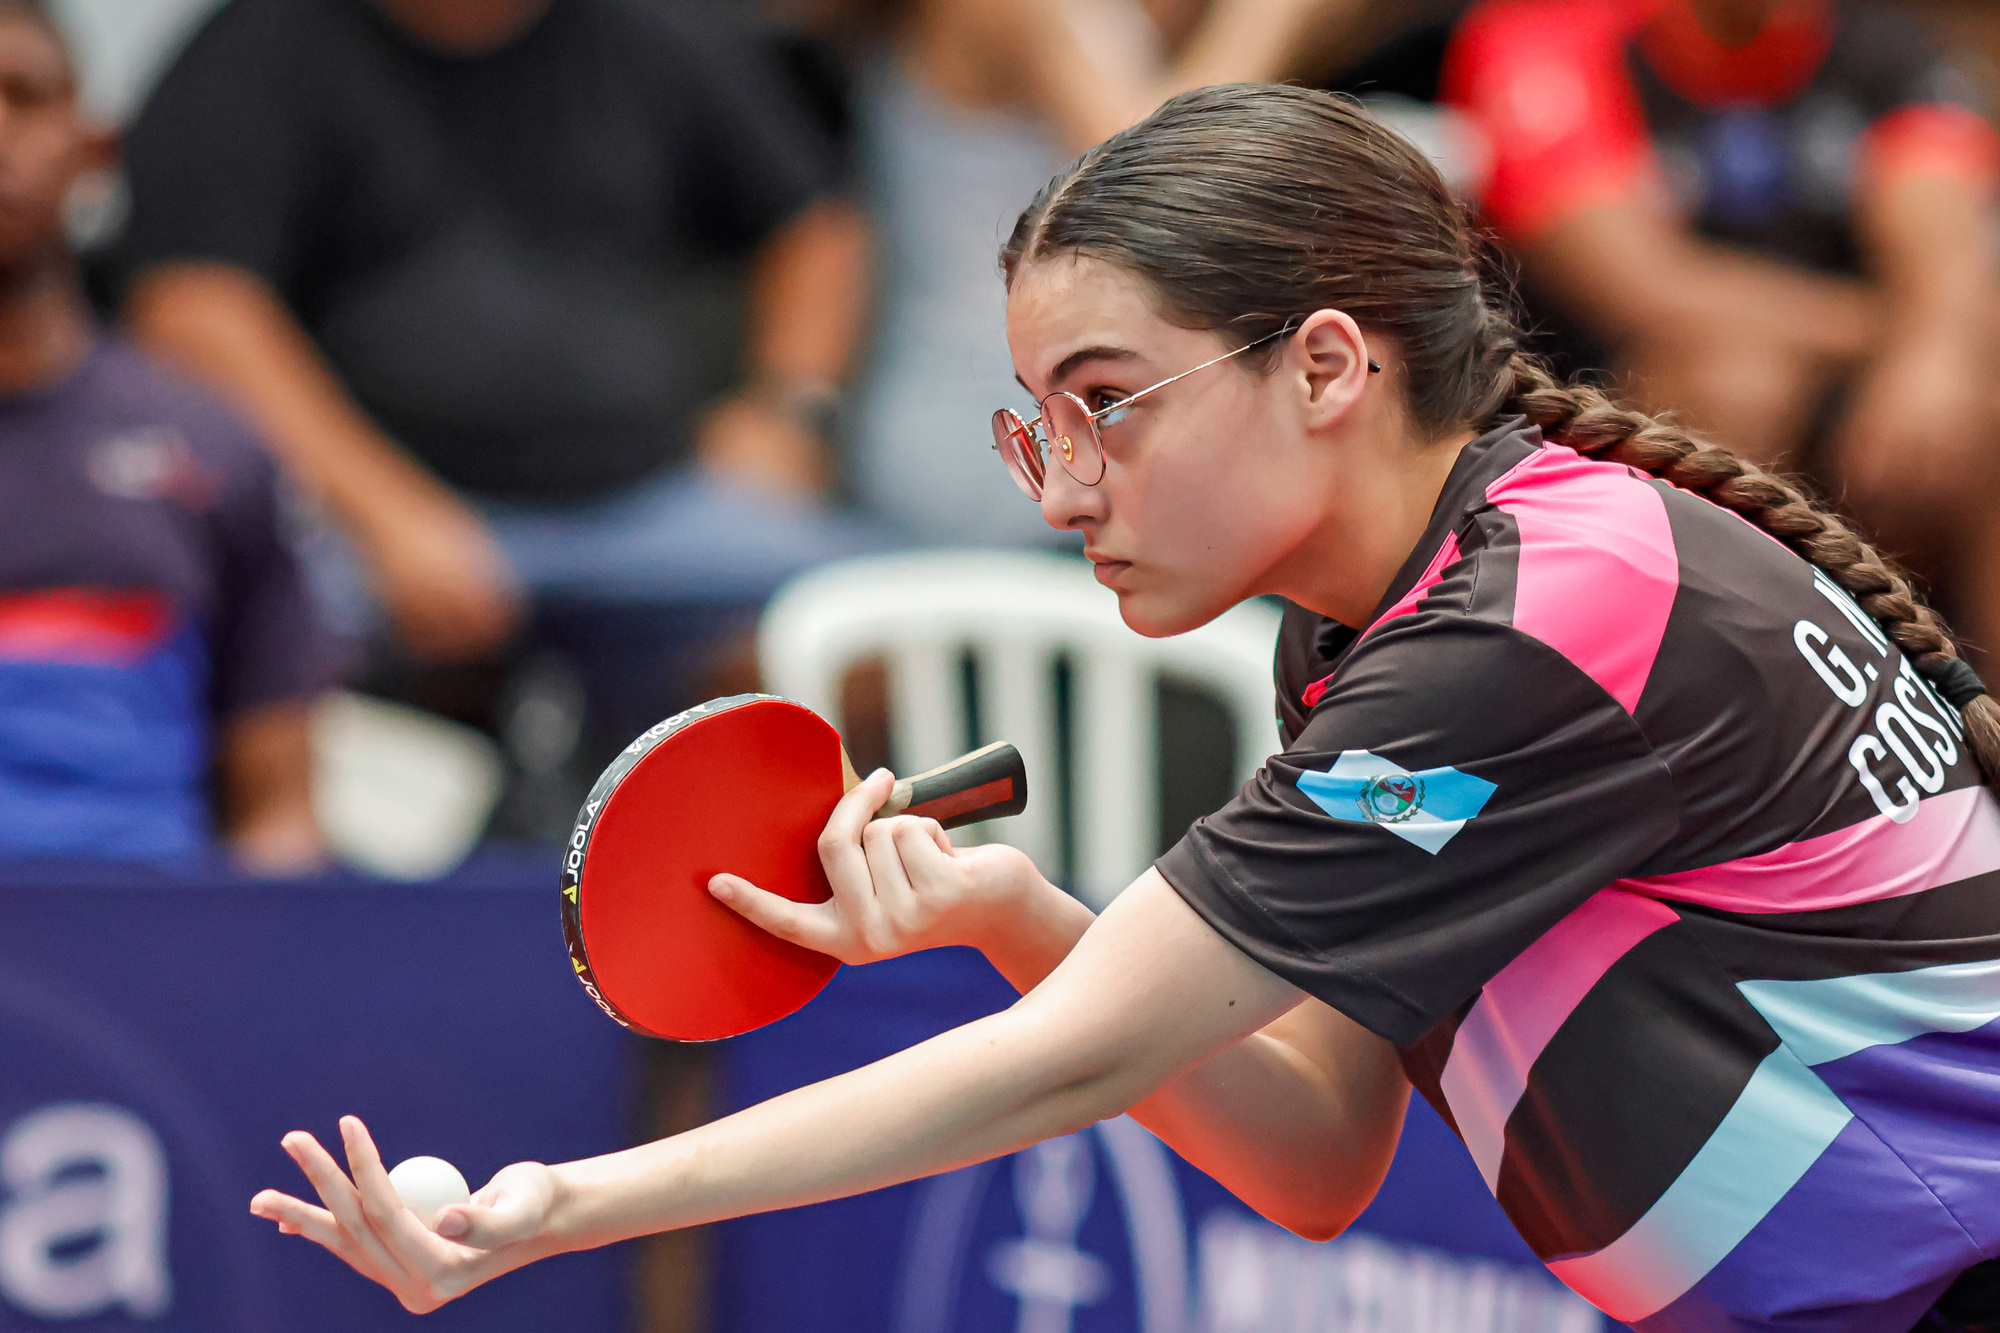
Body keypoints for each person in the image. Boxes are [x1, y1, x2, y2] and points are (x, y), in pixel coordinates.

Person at [250, 85, 2000, 1330]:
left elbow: (1078, 1058)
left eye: (1109, 403)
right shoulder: (1381, 629)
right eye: (1039, 421)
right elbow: (1318, 1145)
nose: (1064, 487)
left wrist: (562, 1203)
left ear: (1328, 364)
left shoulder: (1539, 621)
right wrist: (1019, 914)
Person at [110, 0, 878, 675]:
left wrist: (788, 410)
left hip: (650, 504)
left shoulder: (650, 30)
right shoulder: (261, 46)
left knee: (885, 625)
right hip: (361, 518)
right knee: (237, 632)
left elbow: (816, 224)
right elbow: (192, 307)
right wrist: (385, 513)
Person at [1443, 0, 2000, 652]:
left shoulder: (1887, 43)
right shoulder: (1552, 34)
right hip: (1601, 394)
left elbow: (1941, 235)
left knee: (1973, 394)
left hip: (1860, 398)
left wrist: (1937, 357)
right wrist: (1911, 343)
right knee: (1737, 381)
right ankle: (1691, 672)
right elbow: (1645, 286)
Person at [828, 0, 1359, 548]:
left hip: (1032, 418)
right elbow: (1163, 187)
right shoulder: (1012, 11)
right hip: (1005, 435)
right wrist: (1274, 13)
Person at [0, 0, 327, 870]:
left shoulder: (212, 446)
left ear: (95, 150)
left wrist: (259, 940)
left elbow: (278, 815)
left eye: (24, 97)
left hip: (147, 929)